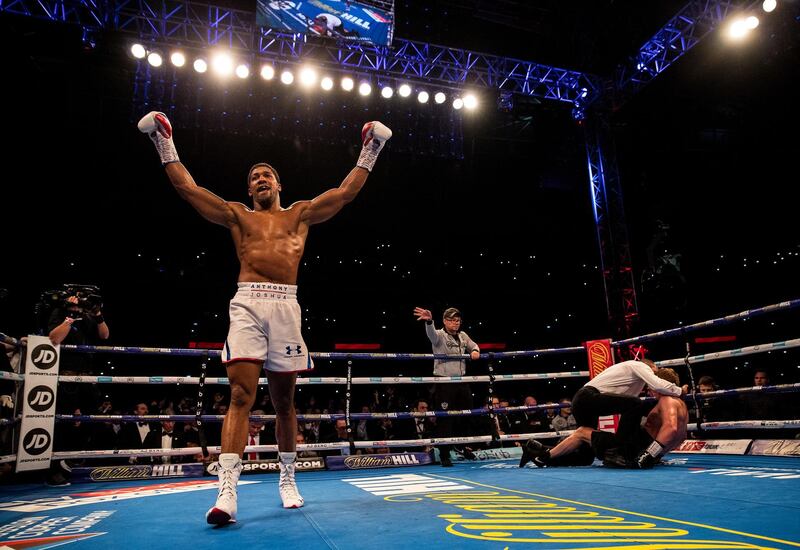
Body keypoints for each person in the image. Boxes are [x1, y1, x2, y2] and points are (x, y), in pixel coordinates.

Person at [139, 110, 392, 525]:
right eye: (254, 176)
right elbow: (188, 189)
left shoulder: (301, 214)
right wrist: (162, 141)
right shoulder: (238, 215)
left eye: (266, 175)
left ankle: (288, 478)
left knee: (284, 401)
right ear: (249, 187)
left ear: (278, 184)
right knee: (240, 396)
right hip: (248, 303)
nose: (260, 179)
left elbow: (346, 193)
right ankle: (227, 491)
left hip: (286, 305)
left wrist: (371, 148)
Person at [520, 358, 685, 468]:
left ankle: (543, 455)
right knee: (635, 404)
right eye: (654, 372)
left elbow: (627, 409)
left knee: (585, 455)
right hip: (587, 397)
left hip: (589, 402)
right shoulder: (639, 366)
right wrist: (680, 391)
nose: (653, 377)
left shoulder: (636, 385)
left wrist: (653, 454)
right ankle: (620, 447)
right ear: (649, 367)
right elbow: (655, 386)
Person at [413, 306, 480, 467]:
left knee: (467, 415)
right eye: (451, 320)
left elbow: (474, 345)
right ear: (445, 321)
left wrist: (475, 351)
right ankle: (444, 454)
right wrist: (429, 321)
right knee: (445, 419)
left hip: (462, 382)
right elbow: (431, 334)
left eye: (457, 320)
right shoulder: (439, 336)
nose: (455, 323)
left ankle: (464, 446)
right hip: (444, 382)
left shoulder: (463, 335)